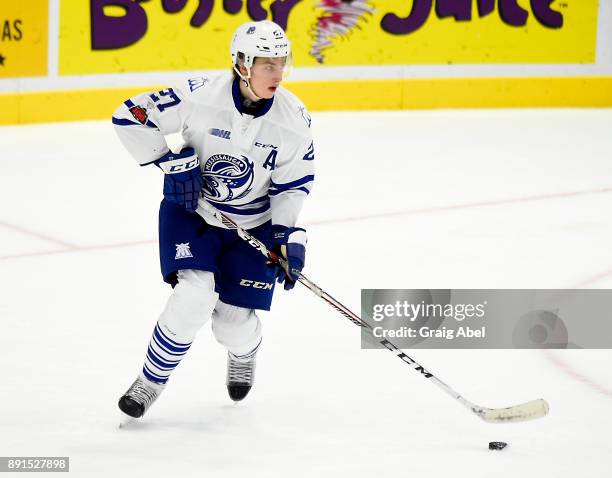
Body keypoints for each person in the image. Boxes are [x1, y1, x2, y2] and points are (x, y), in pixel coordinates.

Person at [112, 20, 315, 419]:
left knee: (232, 325)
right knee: (194, 295)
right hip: (193, 212)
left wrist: (289, 235)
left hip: (252, 226)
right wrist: (168, 161)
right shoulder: (199, 94)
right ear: (242, 64)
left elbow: (293, 187)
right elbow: (129, 116)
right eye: (266, 64)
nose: (277, 73)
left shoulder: (294, 121)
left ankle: (244, 353)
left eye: (281, 64)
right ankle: (150, 382)